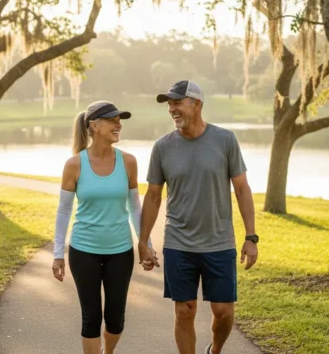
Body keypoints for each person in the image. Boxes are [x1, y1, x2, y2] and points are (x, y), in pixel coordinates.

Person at [137, 80, 259, 354]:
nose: (172, 109)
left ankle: (214, 351)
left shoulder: (225, 140)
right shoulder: (162, 147)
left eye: (177, 102)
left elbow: (242, 189)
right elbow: (153, 196)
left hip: (219, 243)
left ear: (197, 104)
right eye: (169, 104)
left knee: (224, 311)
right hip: (179, 243)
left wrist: (251, 237)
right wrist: (143, 241)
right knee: (184, 310)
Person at [51, 101, 153, 354]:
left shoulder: (128, 161)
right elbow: (64, 210)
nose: (119, 125)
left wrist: (146, 245)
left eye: (120, 120)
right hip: (83, 250)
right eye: (112, 120)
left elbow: (135, 207)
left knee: (116, 319)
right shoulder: (74, 164)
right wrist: (57, 253)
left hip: (120, 251)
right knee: (91, 317)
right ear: (93, 126)